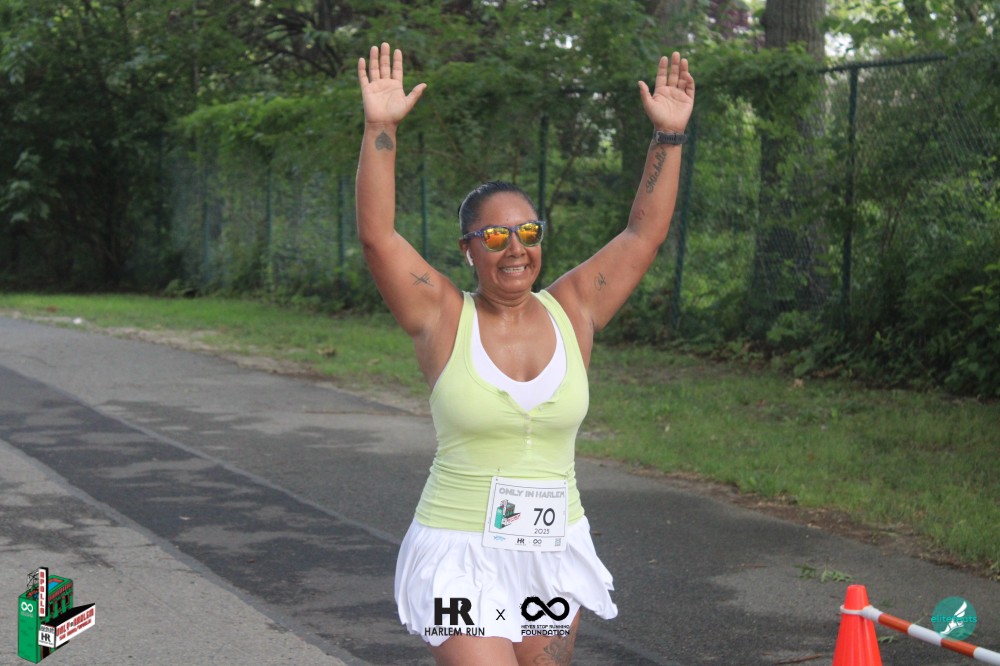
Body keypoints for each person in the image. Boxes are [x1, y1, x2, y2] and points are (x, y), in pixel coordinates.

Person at [356, 42, 694, 666]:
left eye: (528, 232)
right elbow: (379, 237)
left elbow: (644, 233)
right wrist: (381, 128)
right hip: (458, 552)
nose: (515, 248)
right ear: (468, 249)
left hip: (551, 552)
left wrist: (667, 138)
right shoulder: (441, 315)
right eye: (494, 235)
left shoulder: (575, 308)